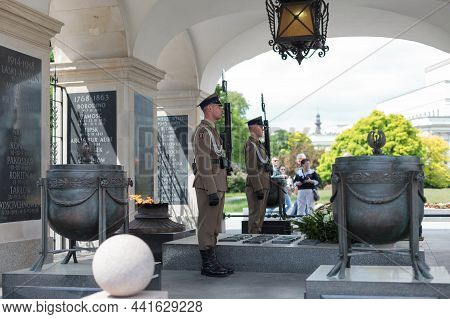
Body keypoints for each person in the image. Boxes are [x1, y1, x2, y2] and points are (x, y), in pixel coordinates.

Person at [192, 92, 233, 277]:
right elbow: (202, 163)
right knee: (207, 225)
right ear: (209, 108)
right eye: (218, 107)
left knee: (215, 226)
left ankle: (213, 261)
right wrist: (211, 190)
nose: (221, 110)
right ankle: (207, 265)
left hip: (218, 183)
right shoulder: (203, 131)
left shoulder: (213, 131)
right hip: (209, 185)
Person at [244, 116, 271, 234]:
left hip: (264, 184)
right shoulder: (250, 145)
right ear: (253, 127)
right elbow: (251, 169)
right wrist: (258, 188)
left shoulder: (259, 145)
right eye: (260, 126)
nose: (262, 129)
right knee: (255, 218)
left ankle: (256, 242)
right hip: (257, 186)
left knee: (260, 218)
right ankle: (251, 245)